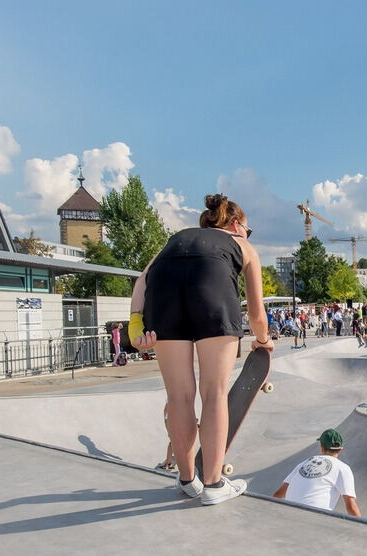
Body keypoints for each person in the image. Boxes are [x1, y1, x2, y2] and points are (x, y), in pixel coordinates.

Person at [129, 193, 272, 506]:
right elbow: (258, 313)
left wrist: (135, 325)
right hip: (213, 299)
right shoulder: (242, 245)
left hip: (162, 302)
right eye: (248, 230)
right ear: (236, 225)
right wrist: (262, 339)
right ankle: (213, 483)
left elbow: (142, 281)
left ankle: (185, 479)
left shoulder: (175, 239)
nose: (248, 236)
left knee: (179, 397)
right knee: (214, 394)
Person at [273, 429, 361, 517]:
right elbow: (351, 506)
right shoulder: (343, 468)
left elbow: (279, 494)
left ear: (322, 447)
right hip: (314, 519)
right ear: (341, 449)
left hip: (288, 516)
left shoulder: (304, 463)